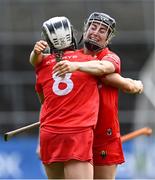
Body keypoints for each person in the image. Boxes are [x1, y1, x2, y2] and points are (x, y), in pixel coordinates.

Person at [52, 12, 143, 179]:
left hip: (103, 137)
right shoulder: (72, 58)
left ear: (108, 39)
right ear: (85, 30)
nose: (96, 32)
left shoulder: (109, 57)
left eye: (102, 30)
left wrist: (76, 67)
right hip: (76, 135)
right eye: (93, 27)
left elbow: (103, 68)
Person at [30, 16, 100, 179]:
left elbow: (44, 103)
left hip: (49, 135)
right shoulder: (88, 61)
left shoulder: (42, 66)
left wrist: (39, 141)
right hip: (77, 133)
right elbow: (107, 69)